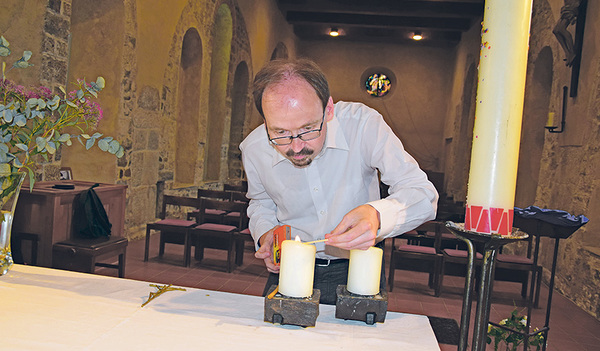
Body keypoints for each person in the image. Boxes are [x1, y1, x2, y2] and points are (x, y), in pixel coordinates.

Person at [240, 58, 438, 304]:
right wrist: (265, 232)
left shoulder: (363, 125)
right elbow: (260, 203)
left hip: (360, 266)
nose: (296, 146)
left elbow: (423, 194)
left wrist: (377, 216)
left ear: (329, 109)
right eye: (280, 132)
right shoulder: (254, 148)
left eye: (308, 128)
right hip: (290, 267)